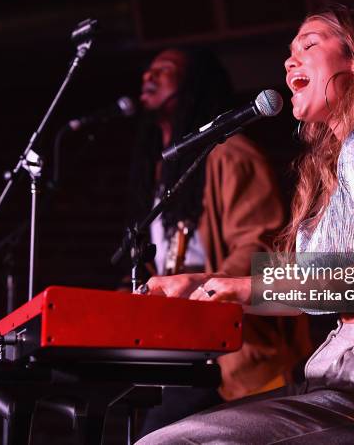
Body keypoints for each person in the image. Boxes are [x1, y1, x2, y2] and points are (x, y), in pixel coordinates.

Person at [137, 5, 354, 444]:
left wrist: (241, 288)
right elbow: (315, 291)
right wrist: (203, 283)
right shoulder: (348, 157)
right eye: (289, 52)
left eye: (309, 45)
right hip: (346, 377)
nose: (290, 61)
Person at [126, 47, 312, 437]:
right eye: (148, 68)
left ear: (193, 85)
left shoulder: (232, 157)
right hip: (179, 347)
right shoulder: (164, 171)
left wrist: (201, 287)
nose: (149, 76)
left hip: (232, 352)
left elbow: (258, 246)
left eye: (166, 70)